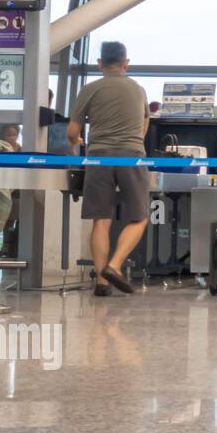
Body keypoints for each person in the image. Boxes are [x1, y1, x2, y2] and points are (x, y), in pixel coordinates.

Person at [67, 41, 150, 297]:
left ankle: (102, 283)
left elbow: (72, 131)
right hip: (131, 156)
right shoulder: (138, 90)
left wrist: (76, 143)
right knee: (139, 216)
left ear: (99, 63)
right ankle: (114, 266)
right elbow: (145, 123)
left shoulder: (90, 89)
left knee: (100, 219)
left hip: (98, 156)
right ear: (126, 63)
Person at [0, 124, 20, 257]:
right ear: (2, 135)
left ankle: (7, 246)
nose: (12, 138)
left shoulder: (20, 148)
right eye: (9, 135)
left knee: (10, 219)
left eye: (15, 135)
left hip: (15, 188)